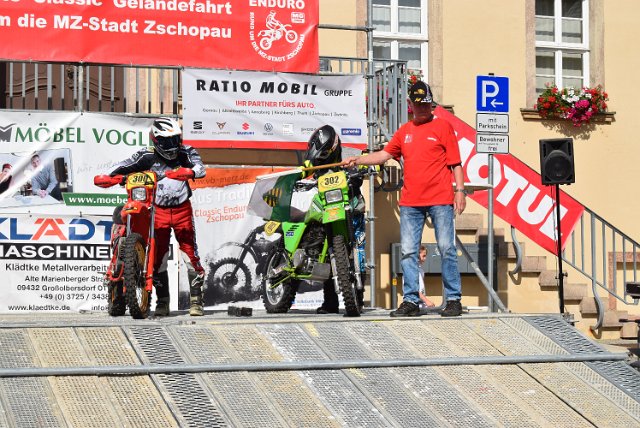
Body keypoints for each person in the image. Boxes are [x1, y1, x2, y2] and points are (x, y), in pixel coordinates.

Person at [344, 80, 466, 317]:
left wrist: (460, 192)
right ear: (411, 104)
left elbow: (456, 164)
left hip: (441, 198)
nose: (422, 108)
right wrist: (357, 160)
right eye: (418, 104)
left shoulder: (443, 127)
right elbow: (383, 155)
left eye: (426, 104)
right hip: (411, 202)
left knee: (446, 248)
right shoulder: (404, 131)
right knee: (409, 252)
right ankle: (411, 300)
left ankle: (453, 299)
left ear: (431, 104)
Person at [109, 117, 207, 317]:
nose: (172, 145)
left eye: (175, 139)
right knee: (158, 257)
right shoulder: (146, 155)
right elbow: (123, 165)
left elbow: (200, 168)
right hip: (157, 211)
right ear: (156, 140)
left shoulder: (186, 151)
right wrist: (110, 176)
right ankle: (162, 301)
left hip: (182, 209)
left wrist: (189, 172)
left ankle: (196, 301)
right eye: (167, 140)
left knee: (190, 254)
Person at [303, 125, 366, 315]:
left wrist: (369, 166)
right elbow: (304, 169)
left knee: (358, 251)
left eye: (324, 154)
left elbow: (368, 162)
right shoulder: (314, 159)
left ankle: (358, 299)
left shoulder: (352, 154)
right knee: (328, 251)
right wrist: (299, 174)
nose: (322, 158)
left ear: (333, 146)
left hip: (352, 206)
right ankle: (330, 302)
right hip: (329, 209)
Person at [417, 245, 436, 309]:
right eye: (423, 256)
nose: (425, 259)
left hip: (421, 303)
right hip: (415, 303)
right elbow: (413, 289)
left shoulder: (421, 270)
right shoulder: (411, 270)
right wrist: (426, 301)